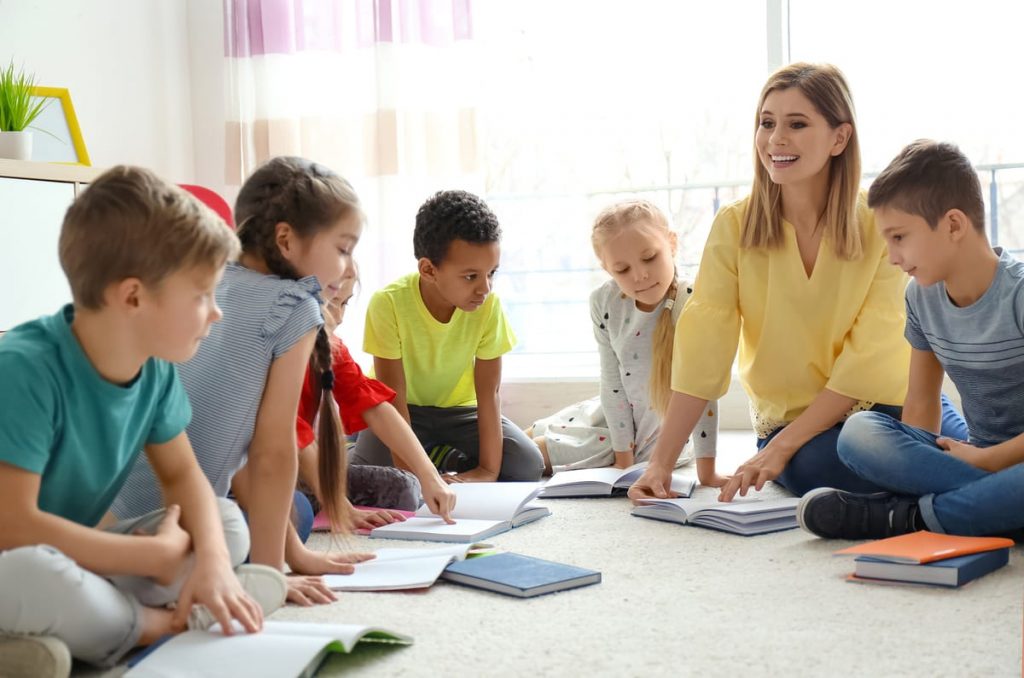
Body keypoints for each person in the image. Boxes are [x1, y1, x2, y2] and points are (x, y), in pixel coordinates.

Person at [629, 63, 962, 505]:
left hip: (896, 408)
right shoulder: (734, 228)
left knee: (978, 449)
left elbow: (871, 355)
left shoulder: (882, 224)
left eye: (797, 124)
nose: (775, 139)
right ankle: (965, 497)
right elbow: (702, 353)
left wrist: (781, 451)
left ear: (839, 138)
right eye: (766, 123)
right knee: (839, 467)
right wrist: (660, 465)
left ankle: (940, 500)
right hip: (801, 433)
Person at [0, 167, 286, 675]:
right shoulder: (23, 368)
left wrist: (216, 564)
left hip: (81, 557)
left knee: (223, 524)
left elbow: (182, 477)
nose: (216, 313)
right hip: (14, 554)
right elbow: (15, 526)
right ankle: (160, 624)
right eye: (201, 296)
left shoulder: (153, 369)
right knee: (29, 574)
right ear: (132, 297)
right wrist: (148, 560)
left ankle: (75, 630)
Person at [112, 157, 372, 607]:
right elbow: (270, 453)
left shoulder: (209, 282)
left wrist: (294, 553)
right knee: (228, 532)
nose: (348, 267)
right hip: (165, 520)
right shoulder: (294, 307)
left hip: (105, 511)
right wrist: (273, 576)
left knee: (240, 524)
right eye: (344, 248)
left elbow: (243, 452)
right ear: (286, 240)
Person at [798, 140, 1024, 540]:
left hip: (1004, 457)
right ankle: (987, 507)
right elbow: (921, 401)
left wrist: (990, 460)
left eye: (899, 237)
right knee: (859, 433)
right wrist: (969, 465)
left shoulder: (1018, 294)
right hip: (975, 459)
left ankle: (907, 518)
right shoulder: (920, 297)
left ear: (954, 224)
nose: (891, 257)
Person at [352, 190, 545, 483]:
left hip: (460, 413)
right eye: (471, 276)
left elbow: (489, 394)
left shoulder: (488, 306)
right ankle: (424, 456)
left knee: (527, 465)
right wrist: (413, 477)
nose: (485, 288)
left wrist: (487, 472)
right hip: (403, 411)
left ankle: (440, 455)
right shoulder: (388, 303)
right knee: (372, 475)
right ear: (429, 270)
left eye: (491, 273)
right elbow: (393, 399)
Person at [528, 200, 718, 475]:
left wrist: (707, 472)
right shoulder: (604, 302)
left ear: (672, 244)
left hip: (660, 438)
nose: (640, 275)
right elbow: (612, 383)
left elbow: (703, 393)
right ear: (607, 269)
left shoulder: (695, 301)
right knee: (516, 439)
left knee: (524, 458)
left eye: (650, 257)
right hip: (614, 420)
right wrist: (623, 461)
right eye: (622, 270)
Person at [295, 274, 457, 522]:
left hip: (308, 470)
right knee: (298, 514)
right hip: (263, 471)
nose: (339, 317)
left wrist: (429, 475)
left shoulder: (331, 345)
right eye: (330, 303)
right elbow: (291, 432)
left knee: (405, 489)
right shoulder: (280, 347)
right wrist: (342, 509)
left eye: (345, 303)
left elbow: (375, 406)